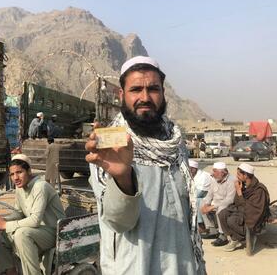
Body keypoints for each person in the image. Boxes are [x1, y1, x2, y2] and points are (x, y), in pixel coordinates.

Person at [85, 56, 205, 274]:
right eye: (136, 89)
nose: (145, 97)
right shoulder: (110, 146)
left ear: (163, 93)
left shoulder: (175, 144)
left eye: (153, 89)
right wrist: (123, 179)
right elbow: (118, 223)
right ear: (122, 95)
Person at [0, 154, 66, 275]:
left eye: (19, 172)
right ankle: (10, 270)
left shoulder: (41, 187)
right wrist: (3, 220)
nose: (15, 178)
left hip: (55, 232)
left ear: (29, 171)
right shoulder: (20, 188)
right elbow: (19, 213)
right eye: (12, 174)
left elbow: (35, 220)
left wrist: (6, 225)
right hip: (36, 231)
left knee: (22, 234)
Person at [218, 163, 270, 251]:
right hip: (242, 211)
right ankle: (235, 239)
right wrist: (239, 191)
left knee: (232, 220)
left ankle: (249, 238)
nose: (236, 176)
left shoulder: (259, 190)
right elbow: (237, 203)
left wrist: (239, 191)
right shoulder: (243, 185)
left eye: (238, 174)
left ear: (245, 175)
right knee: (222, 214)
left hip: (253, 216)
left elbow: (251, 210)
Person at [201, 162, 236, 246]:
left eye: (215, 171)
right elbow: (210, 194)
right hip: (216, 203)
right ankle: (213, 231)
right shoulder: (214, 179)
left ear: (223, 172)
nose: (213, 174)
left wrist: (213, 206)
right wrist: (206, 204)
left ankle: (223, 235)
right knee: (202, 204)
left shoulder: (232, 180)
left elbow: (229, 200)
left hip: (229, 205)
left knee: (220, 209)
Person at [189, 160, 213, 233]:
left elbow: (201, 193)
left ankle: (201, 225)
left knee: (198, 201)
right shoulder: (190, 175)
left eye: (189, 169)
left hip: (208, 196)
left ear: (194, 169)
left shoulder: (203, 176)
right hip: (198, 196)